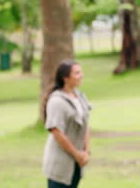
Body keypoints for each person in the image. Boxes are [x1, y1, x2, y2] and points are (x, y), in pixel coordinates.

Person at [43, 60, 92, 188]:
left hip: (77, 163)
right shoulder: (57, 101)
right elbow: (57, 133)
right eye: (77, 73)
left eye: (81, 72)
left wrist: (86, 151)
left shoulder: (80, 97)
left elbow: (86, 125)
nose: (81, 75)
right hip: (60, 164)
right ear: (66, 78)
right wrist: (77, 154)